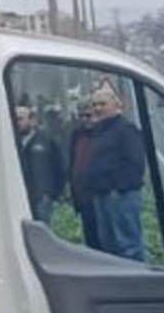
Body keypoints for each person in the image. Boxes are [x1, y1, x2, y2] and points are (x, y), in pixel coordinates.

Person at [68, 83, 151, 263]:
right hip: (100, 196)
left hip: (120, 197)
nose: (97, 108)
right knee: (108, 248)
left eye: (102, 104)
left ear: (116, 105)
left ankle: (137, 283)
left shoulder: (126, 130)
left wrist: (116, 189)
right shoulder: (99, 131)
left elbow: (135, 164)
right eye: (94, 104)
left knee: (127, 245)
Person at [14, 103, 68, 223]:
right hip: (19, 197)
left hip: (41, 197)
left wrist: (52, 194)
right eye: (14, 119)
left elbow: (59, 167)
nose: (17, 123)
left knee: (41, 232)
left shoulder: (46, 141)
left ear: (32, 120)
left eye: (20, 119)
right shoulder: (11, 144)